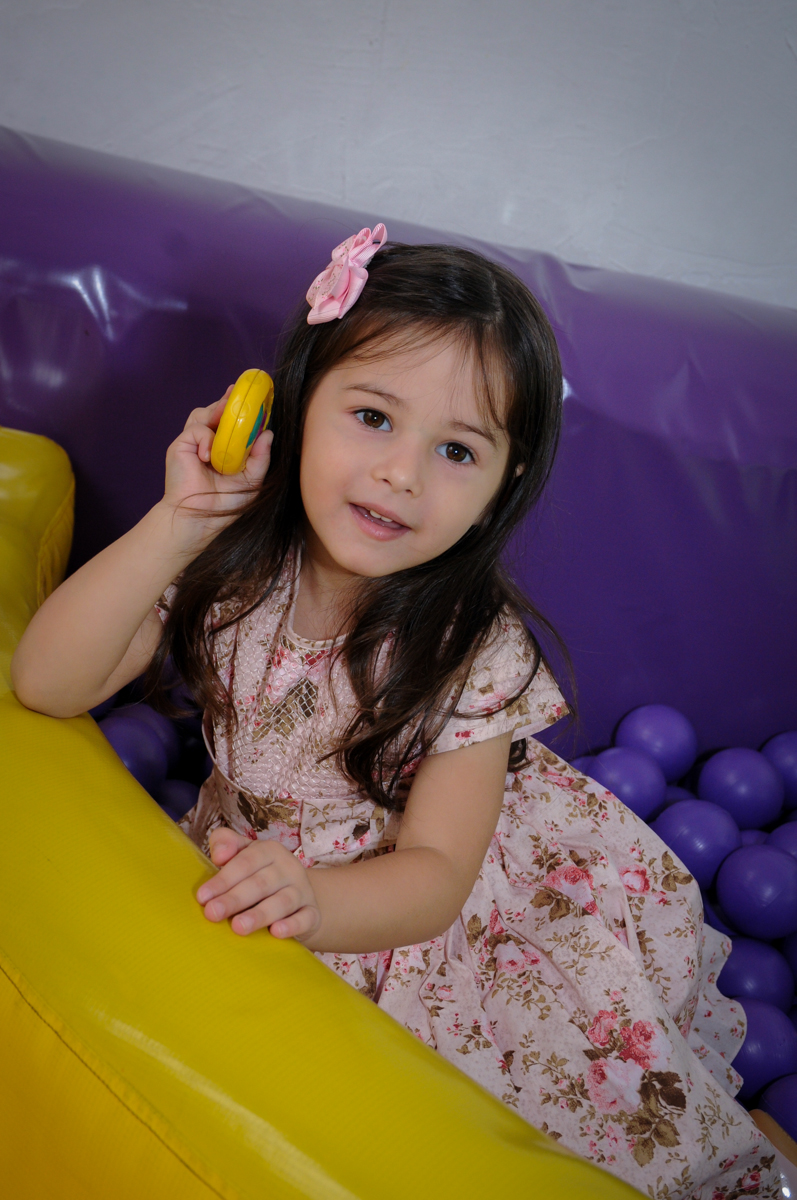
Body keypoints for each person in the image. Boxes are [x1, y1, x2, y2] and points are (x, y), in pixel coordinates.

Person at [11, 227, 781, 1198]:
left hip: (408, 928)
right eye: (371, 417)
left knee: (584, 1128)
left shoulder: (468, 644)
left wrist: (317, 903)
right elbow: (46, 681)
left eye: (455, 449)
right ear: (289, 408)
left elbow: (437, 875)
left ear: (501, 486)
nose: (402, 474)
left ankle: (755, 1153)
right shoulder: (230, 556)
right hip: (262, 870)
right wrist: (179, 521)